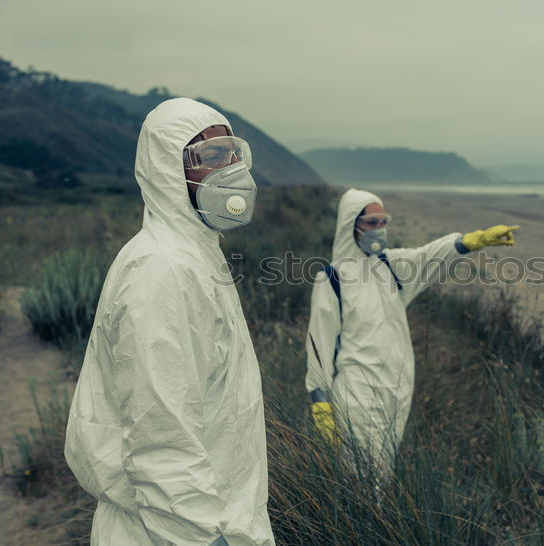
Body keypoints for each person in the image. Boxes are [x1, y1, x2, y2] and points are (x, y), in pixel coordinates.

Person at [65, 97, 274, 545]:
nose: (232, 170)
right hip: (172, 532)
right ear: (167, 170)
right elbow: (160, 438)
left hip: (208, 517)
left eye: (233, 153)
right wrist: (204, 539)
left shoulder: (195, 255)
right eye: (212, 158)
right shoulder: (163, 270)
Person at [304, 188, 518, 475]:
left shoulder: (391, 266)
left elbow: (430, 256)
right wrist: (320, 401)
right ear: (350, 225)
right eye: (371, 222)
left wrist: (472, 241)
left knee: (383, 469)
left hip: (397, 391)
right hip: (357, 393)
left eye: (383, 222)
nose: (379, 229)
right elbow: (319, 342)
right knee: (361, 473)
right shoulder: (331, 279)